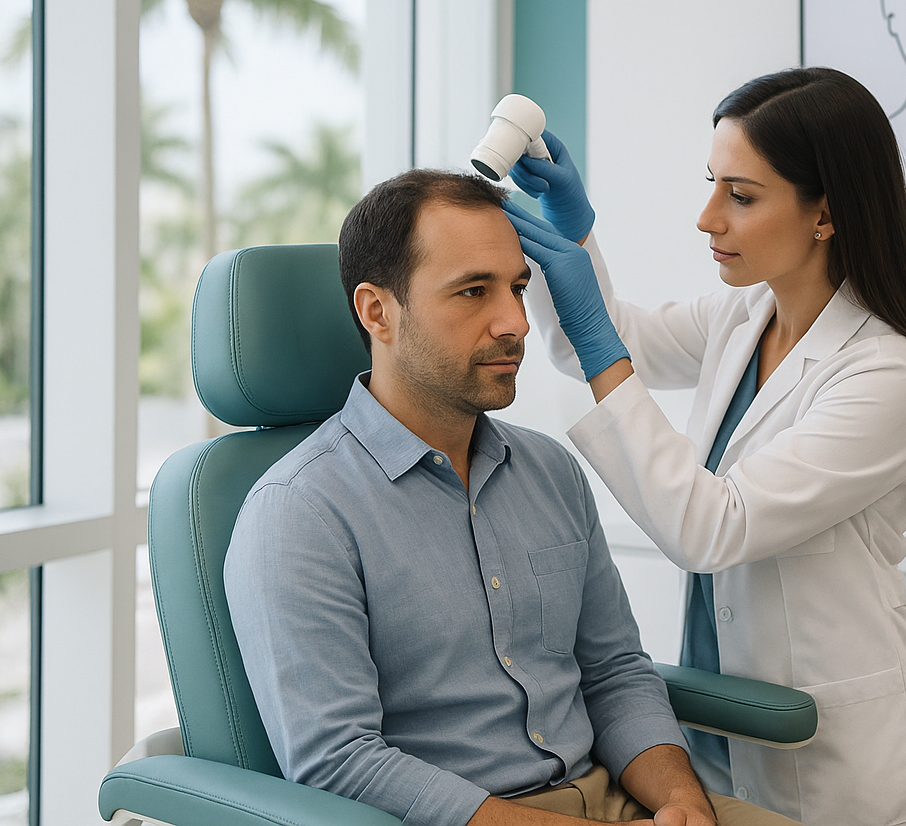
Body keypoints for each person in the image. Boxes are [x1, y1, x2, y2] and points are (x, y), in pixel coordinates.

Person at [223, 169, 799, 826]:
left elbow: (613, 672)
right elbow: (339, 760)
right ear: (377, 312)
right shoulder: (299, 512)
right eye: (473, 291)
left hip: (614, 797)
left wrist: (680, 799)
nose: (515, 323)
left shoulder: (550, 470)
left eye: (519, 288)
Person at [505, 67, 906, 826]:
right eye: (711, 184)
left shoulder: (886, 373)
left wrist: (595, 335)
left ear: (825, 214)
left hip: (843, 760)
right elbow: (615, 341)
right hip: (723, 734)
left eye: (740, 197)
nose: (706, 217)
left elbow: (710, 528)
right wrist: (574, 230)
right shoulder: (743, 315)